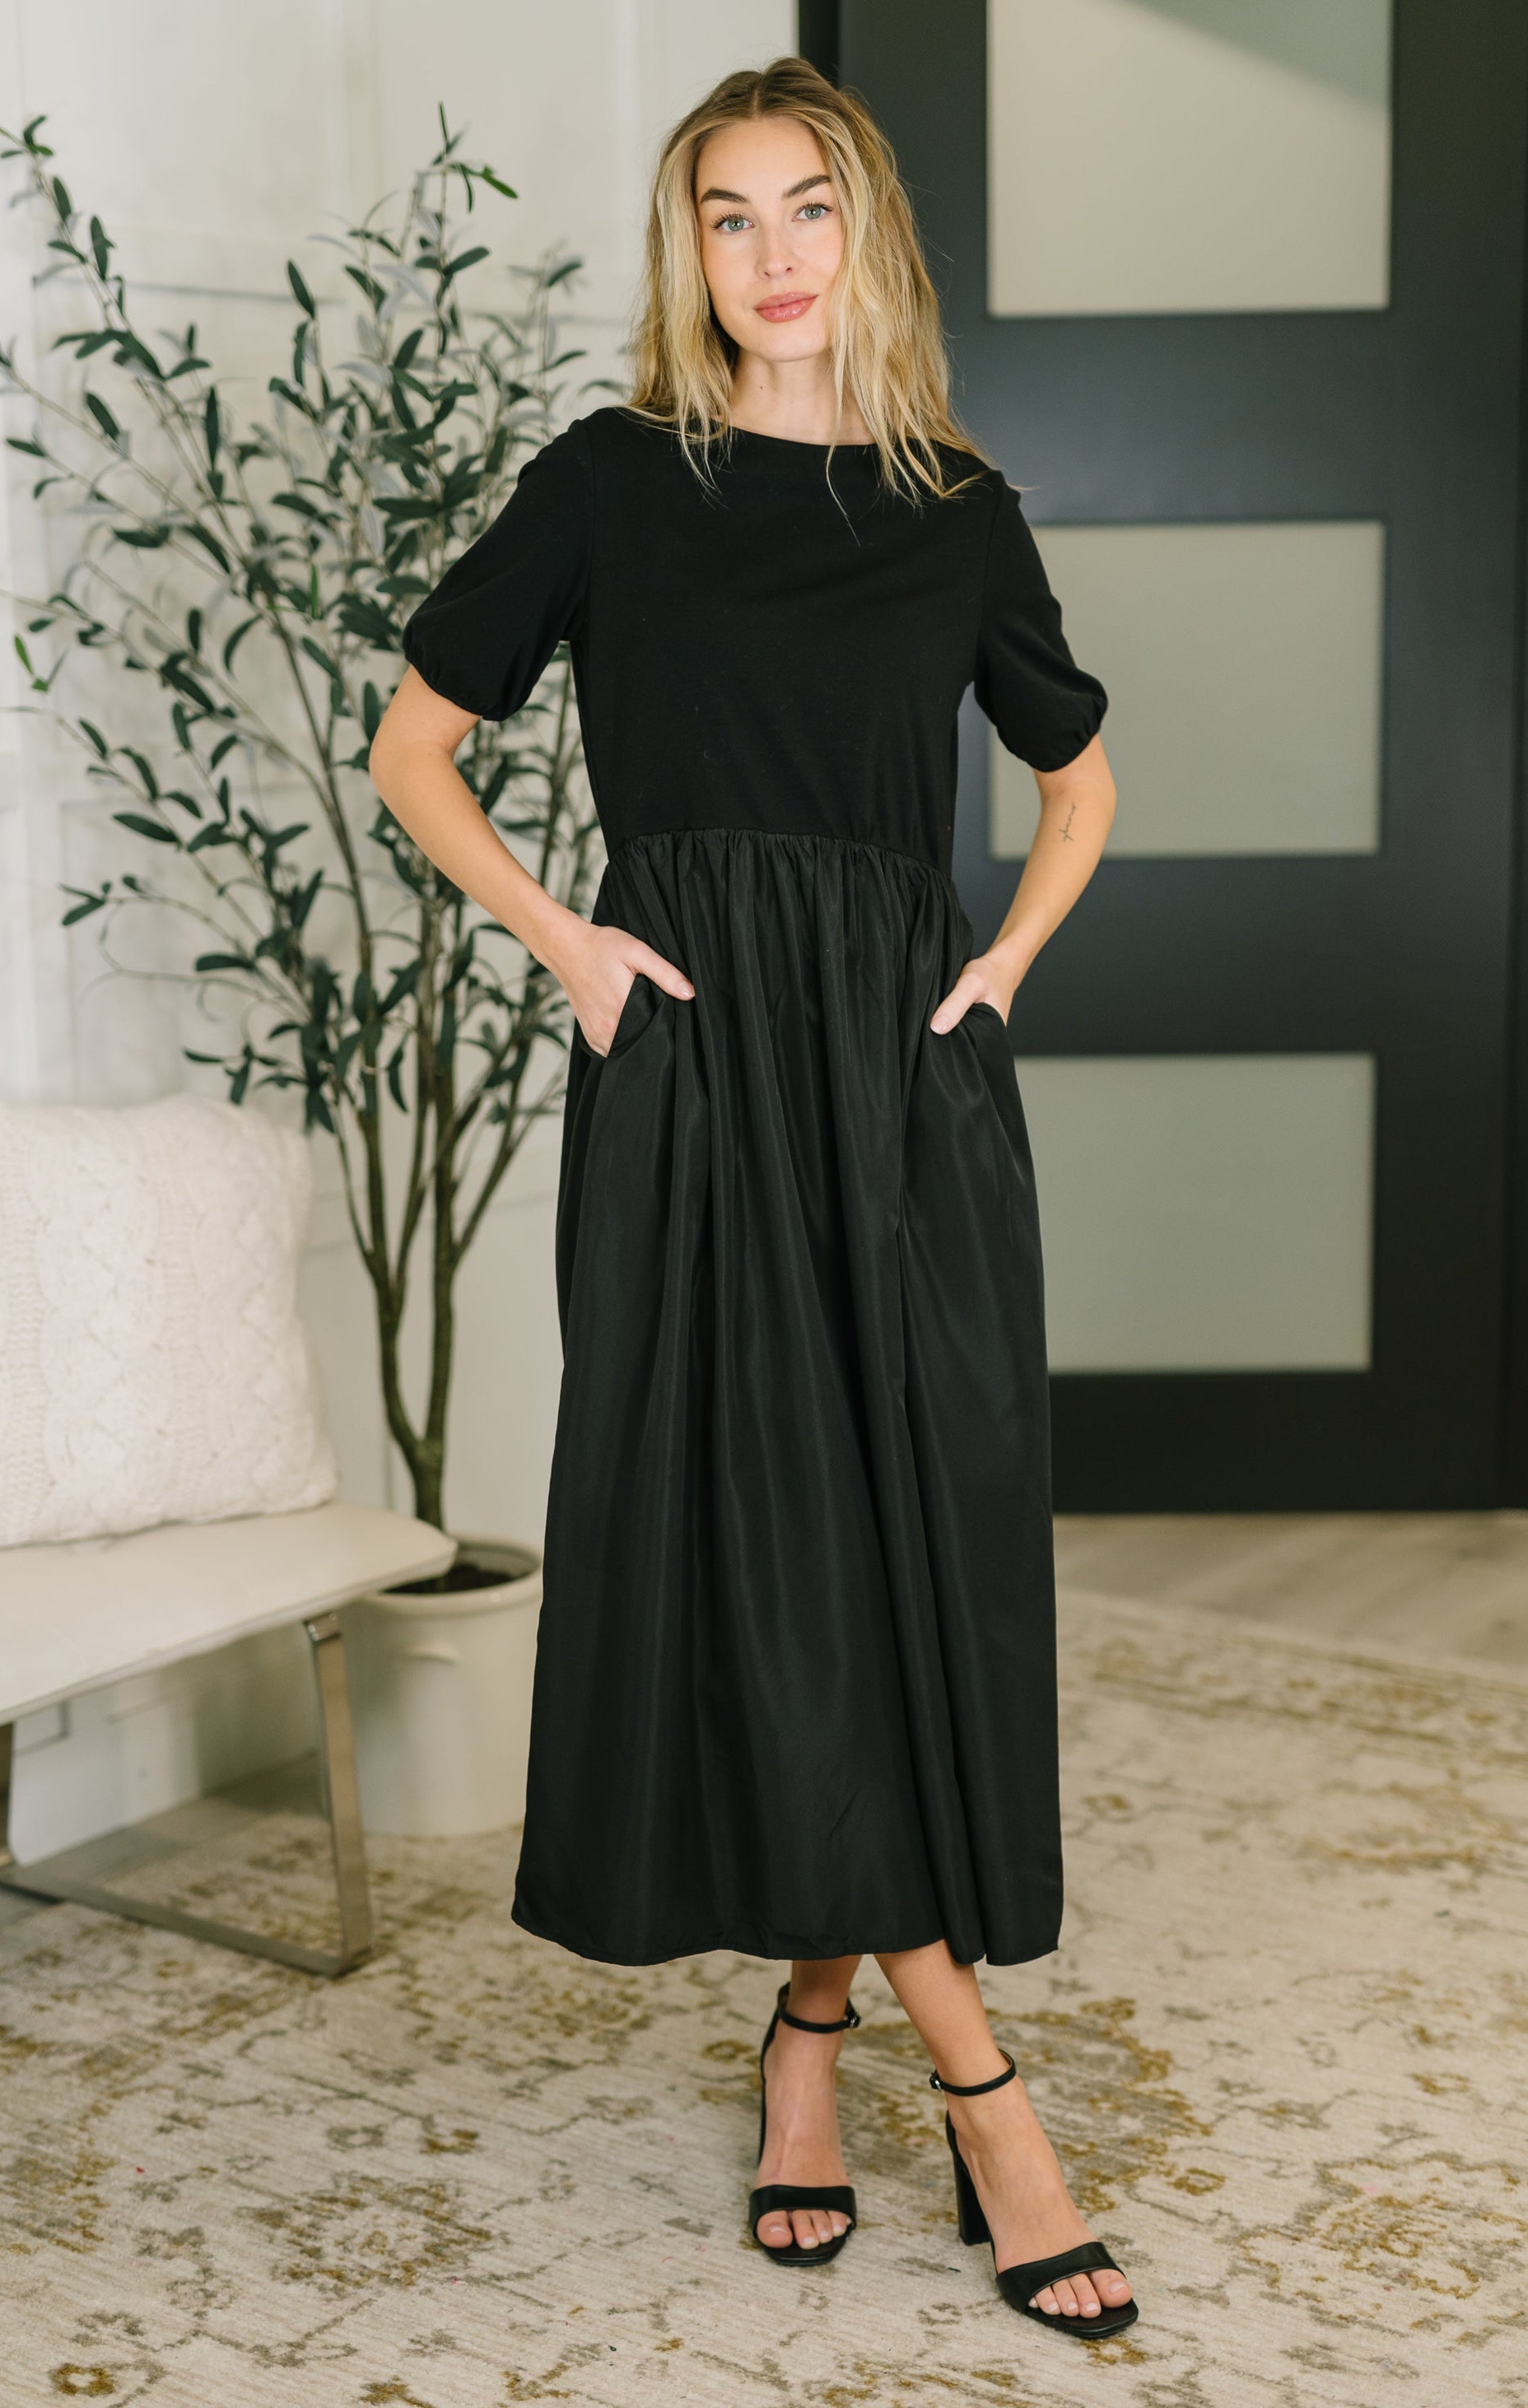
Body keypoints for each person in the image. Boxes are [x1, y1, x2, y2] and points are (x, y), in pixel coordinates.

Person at [370, 56, 1133, 2340]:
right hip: (695, 1075)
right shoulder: (612, 485)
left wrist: (997, 973)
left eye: (810, 207)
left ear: (864, 232)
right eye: (729, 214)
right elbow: (416, 747)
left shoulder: (956, 512)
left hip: (898, 1087)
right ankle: (982, 2090)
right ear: (685, 249)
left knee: (902, 1547)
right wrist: (568, 944)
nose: (774, 253)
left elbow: (1079, 779)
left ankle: (808, 2033)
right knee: (772, 1547)